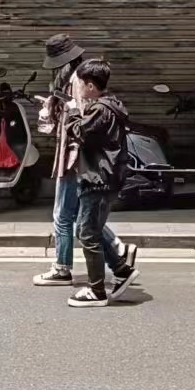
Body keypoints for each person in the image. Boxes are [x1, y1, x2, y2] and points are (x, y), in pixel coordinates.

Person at [33, 33, 130, 287]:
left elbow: (82, 123)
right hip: (74, 154)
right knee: (80, 217)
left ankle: (64, 268)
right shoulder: (75, 79)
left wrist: (61, 110)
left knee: (64, 215)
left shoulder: (77, 81)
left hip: (74, 156)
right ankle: (118, 258)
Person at [64, 58, 138, 307]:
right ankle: (122, 269)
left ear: (90, 86)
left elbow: (79, 132)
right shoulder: (109, 106)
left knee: (88, 234)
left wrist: (73, 110)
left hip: (98, 179)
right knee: (88, 230)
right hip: (102, 177)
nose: (77, 88)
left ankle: (97, 291)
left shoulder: (100, 110)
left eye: (80, 84)